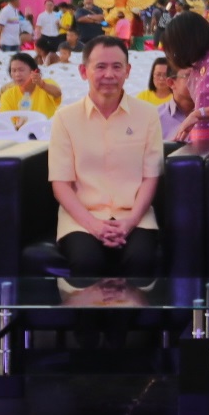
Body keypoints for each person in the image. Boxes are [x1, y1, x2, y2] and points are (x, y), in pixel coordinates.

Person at [49, 37, 163, 279]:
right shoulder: (65, 118)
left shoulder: (147, 115)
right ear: (84, 71)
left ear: (127, 71)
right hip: (81, 218)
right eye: (100, 67)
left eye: (116, 67)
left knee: (140, 260)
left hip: (135, 216)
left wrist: (130, 221)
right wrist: (93, 225)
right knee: (86, 262)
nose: (109, 74)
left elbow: (150, 177)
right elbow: (61, 184)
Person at [0, 52, 63, 116]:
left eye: (21, 70)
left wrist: (42, 84)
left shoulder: (47, 83)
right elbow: (6, 119)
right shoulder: (7, 95)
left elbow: (58, 93)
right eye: (14, 70)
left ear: (34, 71)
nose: (17, 74)